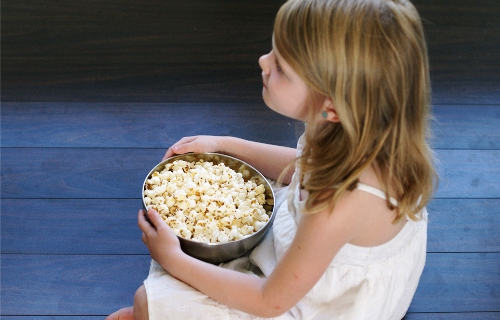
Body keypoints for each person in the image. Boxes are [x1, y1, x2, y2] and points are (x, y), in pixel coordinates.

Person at [107, 0, 437, 318]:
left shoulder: (337, 201)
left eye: (280, 67)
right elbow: (301, 165)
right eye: (273, 50)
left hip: (321, 303)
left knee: (148, 301)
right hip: (314, 255)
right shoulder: (355, 126)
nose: (264, 62)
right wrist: (224, 144)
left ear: (332, 106)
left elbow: (270, 301)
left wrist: (173, 258)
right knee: (233, 216)